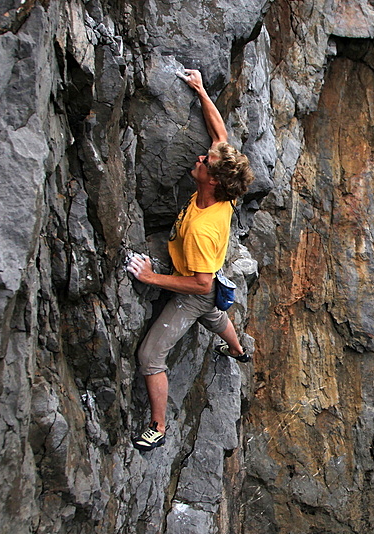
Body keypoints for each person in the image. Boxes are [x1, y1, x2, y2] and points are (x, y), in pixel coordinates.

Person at [127, 69, 255, 452]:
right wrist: (200, 90)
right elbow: (220, 136)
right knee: (215, 314)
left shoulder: (203, 228)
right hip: (212, 275)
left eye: (205, 162)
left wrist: (151, 278)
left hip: (197, 285)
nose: (200, 157)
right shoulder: (227, 192)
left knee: (151, 355)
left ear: (212, 180)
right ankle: (238, 350)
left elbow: (198, 285)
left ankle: (159, 426)